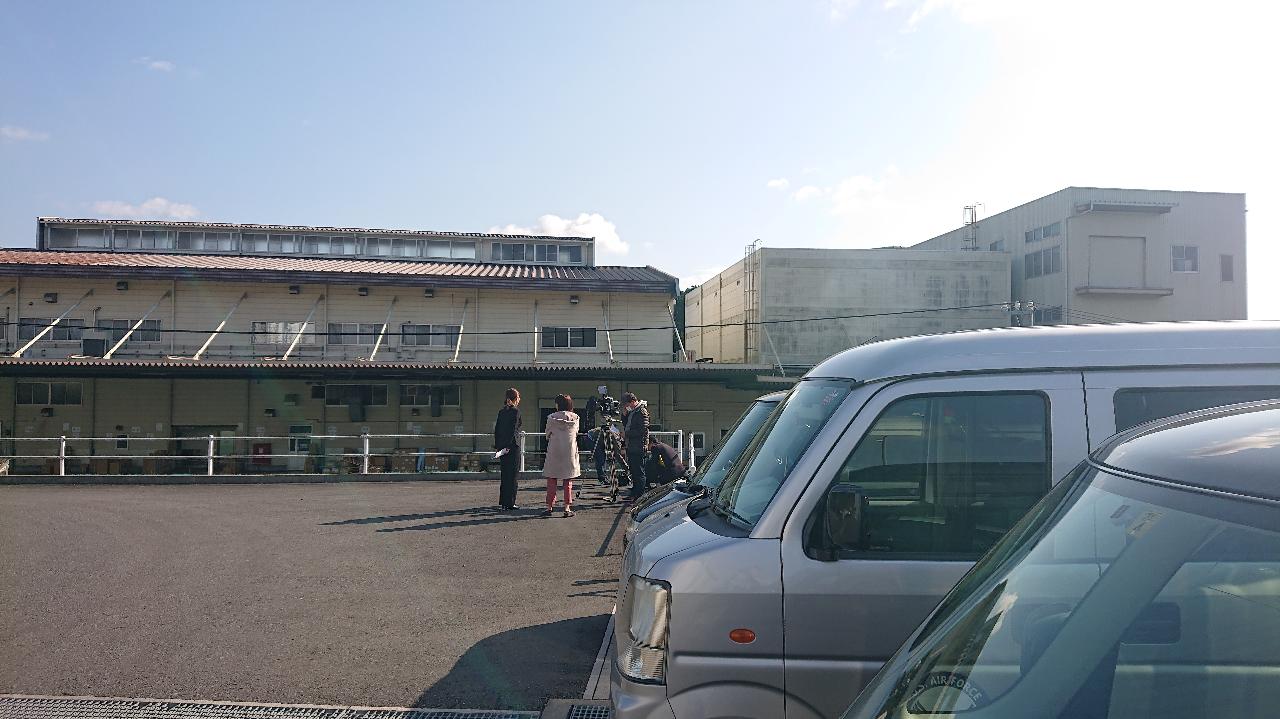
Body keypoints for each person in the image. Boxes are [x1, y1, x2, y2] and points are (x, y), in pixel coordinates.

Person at [542, 393, 581, 517]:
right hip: (569, 451)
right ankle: (567, 508)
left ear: (558, 405)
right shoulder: (576, 418)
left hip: (555, 450)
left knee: (551, 479)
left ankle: (549, 507)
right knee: (567, 481)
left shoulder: (551, 418)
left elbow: (547, 434)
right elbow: (576, 433)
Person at [493, 387, 522, 510]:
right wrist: (509, 445)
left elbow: (497, 430)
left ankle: (504, 502)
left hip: (502, 447)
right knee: (513, 475)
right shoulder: (516, 411)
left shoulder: (501, 412)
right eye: (518, 397)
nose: (519, 399)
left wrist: (498, 446)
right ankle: (510, 502)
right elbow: (513, 430)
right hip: (512, 446)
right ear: (515, 399)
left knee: (504, 475)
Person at [621, 391, 650, 500]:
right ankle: (635, 492)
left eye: (627, 404)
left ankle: (640, 495)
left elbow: (642, 430)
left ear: (633, 401)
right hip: (631, 445)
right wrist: (624, 415)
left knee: (639, 472)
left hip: (638, 446)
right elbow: (626, 425)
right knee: (633, 471)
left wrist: (627, 434)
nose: (626, 406)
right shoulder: (633, 412)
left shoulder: (641, 411)